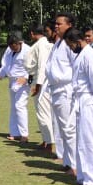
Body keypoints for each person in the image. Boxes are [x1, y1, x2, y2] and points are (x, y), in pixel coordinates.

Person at [68, 26, 93, 185]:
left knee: (89, 140)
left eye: (71, 45)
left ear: (77, 41)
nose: (70, 48)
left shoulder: (89, 55)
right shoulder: (81, 55)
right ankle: (83, 175)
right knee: (80, 140)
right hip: (79, 99)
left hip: (88, 99)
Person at [45, 13, 79, 174]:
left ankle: (73, 164)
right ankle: (67, 160)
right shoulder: (58, 44)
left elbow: (76, 68)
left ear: (69, 25)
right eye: (55, 24)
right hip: (56, 90)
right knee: (60, 128)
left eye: (60, 24)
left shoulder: (71, 44)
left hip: (66, 90)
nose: (56, 26)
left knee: (69, 128)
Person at [0, 32, 29, 141]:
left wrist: (26, 77)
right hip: (12, 81)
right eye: (11, 47)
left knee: (20, 106)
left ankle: (24, 135)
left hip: (23, 81)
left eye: (14, 46)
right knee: (13, 107)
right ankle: (15, 133)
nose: (13, 49)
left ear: (20, 43)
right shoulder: (9, 50)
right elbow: (5, 64)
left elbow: (33, 66)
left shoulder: (28, 50)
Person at [26, 24, 56, 154]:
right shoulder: (42, 44)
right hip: (39, 79)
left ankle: (50, 143)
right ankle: (46, 140)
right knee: (42, 113)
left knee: (44, 113)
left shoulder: (42, 45)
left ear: (32, 33)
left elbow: (42, 65)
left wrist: (38, 85)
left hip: (42, 81)